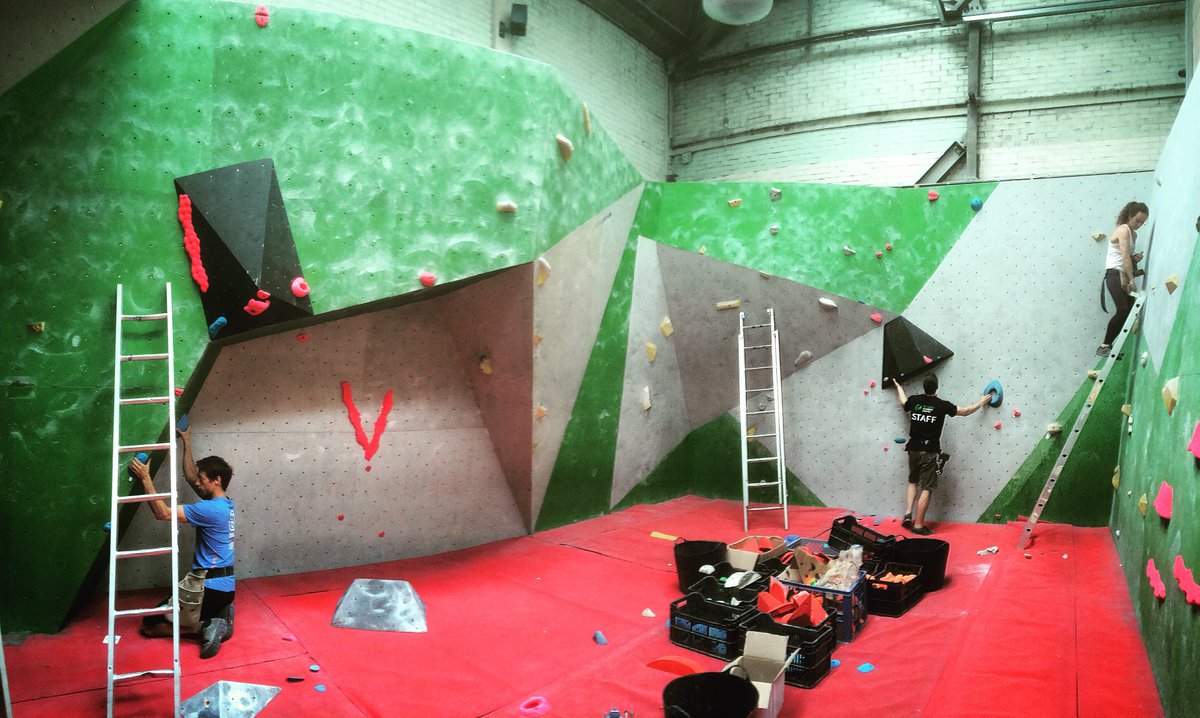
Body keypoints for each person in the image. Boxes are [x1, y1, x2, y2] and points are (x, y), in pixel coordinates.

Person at [129, 426, 235, 659]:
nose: (197, 483)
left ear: (216, 480)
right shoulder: (225, 504)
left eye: (202, 479)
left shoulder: (208, 510)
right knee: (158, 614)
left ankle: (207, 624)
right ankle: (218, 612)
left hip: (208, 587)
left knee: (150, 626)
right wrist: (187, 441)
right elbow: (190, 477)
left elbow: (163, 514)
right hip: (224, 586)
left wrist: (146, 478)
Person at [892, 374, 991, 535]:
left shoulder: (915, 401)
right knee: (927, 487)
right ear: (936, 388)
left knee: (912, 481)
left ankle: (908, 513)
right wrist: (981, 402)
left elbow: (903, 402)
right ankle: (918, 525)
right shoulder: (941, 405)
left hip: (913, 449)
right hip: (929, 452)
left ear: (924, 387)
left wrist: (898, 387)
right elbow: (965, 411)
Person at [1097, 201, 1149, 355]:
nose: (1139, 225)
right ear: (1129, 216)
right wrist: (1132, 280)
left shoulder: (1134, 233)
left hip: (1122, 275)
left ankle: (1109, 346)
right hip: (1114, 275)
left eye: (1142, 222)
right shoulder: (1123, 230)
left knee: (1129, 310)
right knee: (1123, 309)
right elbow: (1124, 256)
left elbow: (1126, 258)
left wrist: (1135, 260)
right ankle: (1104, 346)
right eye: (1137, 220)